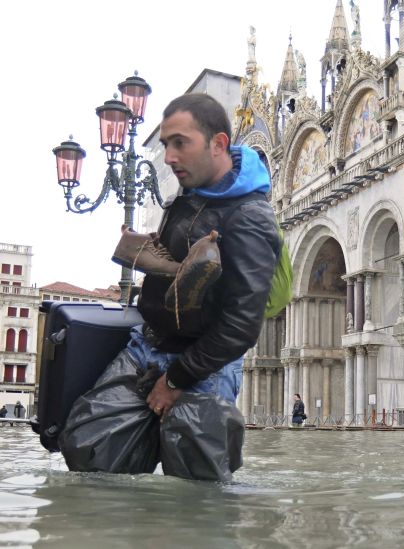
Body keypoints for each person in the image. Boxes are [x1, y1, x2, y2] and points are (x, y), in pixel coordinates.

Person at [64, 93, 280, 478]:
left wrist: (176, 379)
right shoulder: (189, 195)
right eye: (166, 144)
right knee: (90, 450)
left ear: (218, 144)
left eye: (181, 143)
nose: (169, 157)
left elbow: (242, 325)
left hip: (205, 365)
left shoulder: (252, 218)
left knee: (195, 490)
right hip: (147, 345)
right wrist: (150, 248)